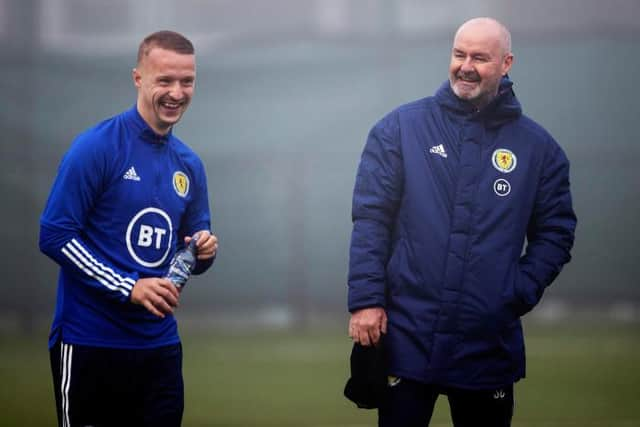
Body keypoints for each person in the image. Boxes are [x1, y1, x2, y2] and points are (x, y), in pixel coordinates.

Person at [347, 17, 576, 427]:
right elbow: (370, 218)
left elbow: (556, 233)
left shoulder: (539, 148)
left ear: (506, 63)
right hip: (407, 336)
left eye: (480, 57)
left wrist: (515, 291)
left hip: (487, 345)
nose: (465, 65)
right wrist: (366, 300)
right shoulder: (400, 128)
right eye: (459, 54)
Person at [39, 30, 218, 427]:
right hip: (91, 344)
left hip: (160, 349)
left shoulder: (189, 164)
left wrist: (202, 252)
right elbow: (54, 234)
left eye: (187, 81)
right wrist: (129, 286)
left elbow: (189, 249)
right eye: (165, 80)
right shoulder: (96, 148)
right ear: (138, 78)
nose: (177, 92)